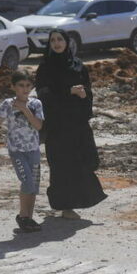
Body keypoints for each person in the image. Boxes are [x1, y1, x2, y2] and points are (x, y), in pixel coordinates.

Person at [35, 29, 107, 219]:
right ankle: (65, 206)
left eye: (60, 39)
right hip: (57, 126)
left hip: (77, 123)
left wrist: (84, 95)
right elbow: (43, 94)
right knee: (60, 165)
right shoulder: (46, 67)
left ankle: (81, 200)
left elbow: (88, 91)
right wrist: (68, 91)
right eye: (53, 40)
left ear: (67, 42)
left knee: (84, 161)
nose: (56, 43)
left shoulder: (78, 65)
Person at [0, 71, 45, 232]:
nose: (24, 89)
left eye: (27, 85)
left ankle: (28, 218)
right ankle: (22, 215)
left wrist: (25, 109)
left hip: (33, 150)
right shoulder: (7, 103)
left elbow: (38, 125)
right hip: (17, 151)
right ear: (13, 87)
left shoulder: (36, 104)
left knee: (33, 185)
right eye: (20, 85)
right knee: (26, 182)